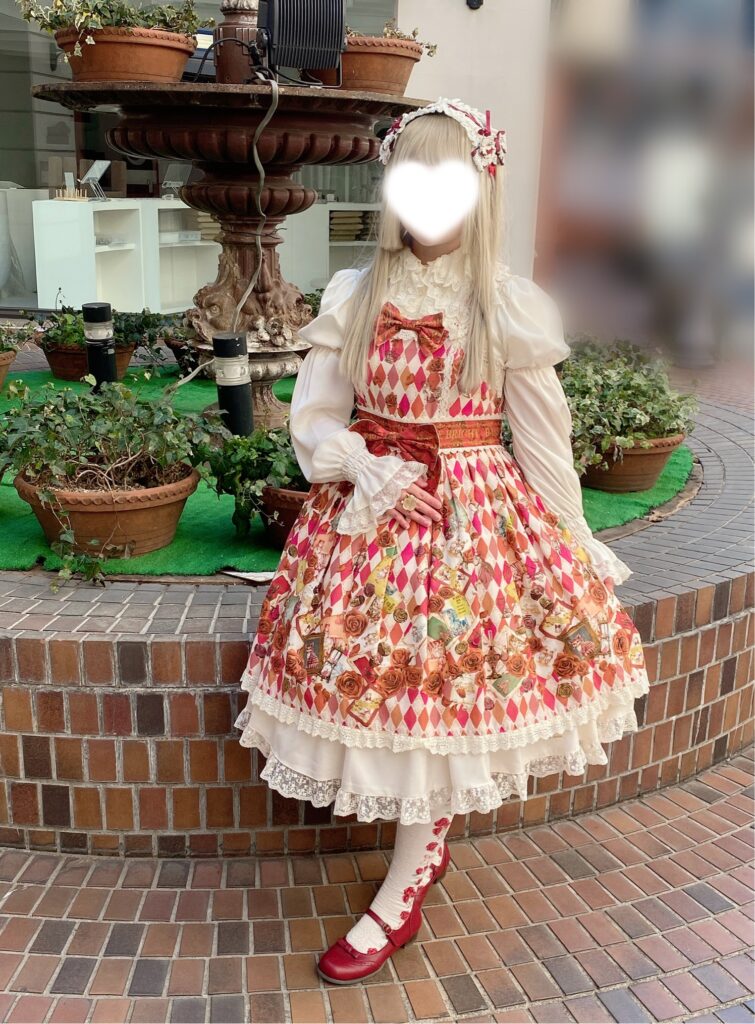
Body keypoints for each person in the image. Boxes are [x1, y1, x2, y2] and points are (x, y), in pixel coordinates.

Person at [234, 97, 649, 985]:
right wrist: (365, 467)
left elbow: (542, 439)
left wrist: (572, 541)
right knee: (378, 682)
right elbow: (314, 419)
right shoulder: (355, 293)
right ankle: (419, 855)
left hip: (472, 523)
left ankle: (409, 875)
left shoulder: (505, 302)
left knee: (443, 686)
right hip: (369, 516)